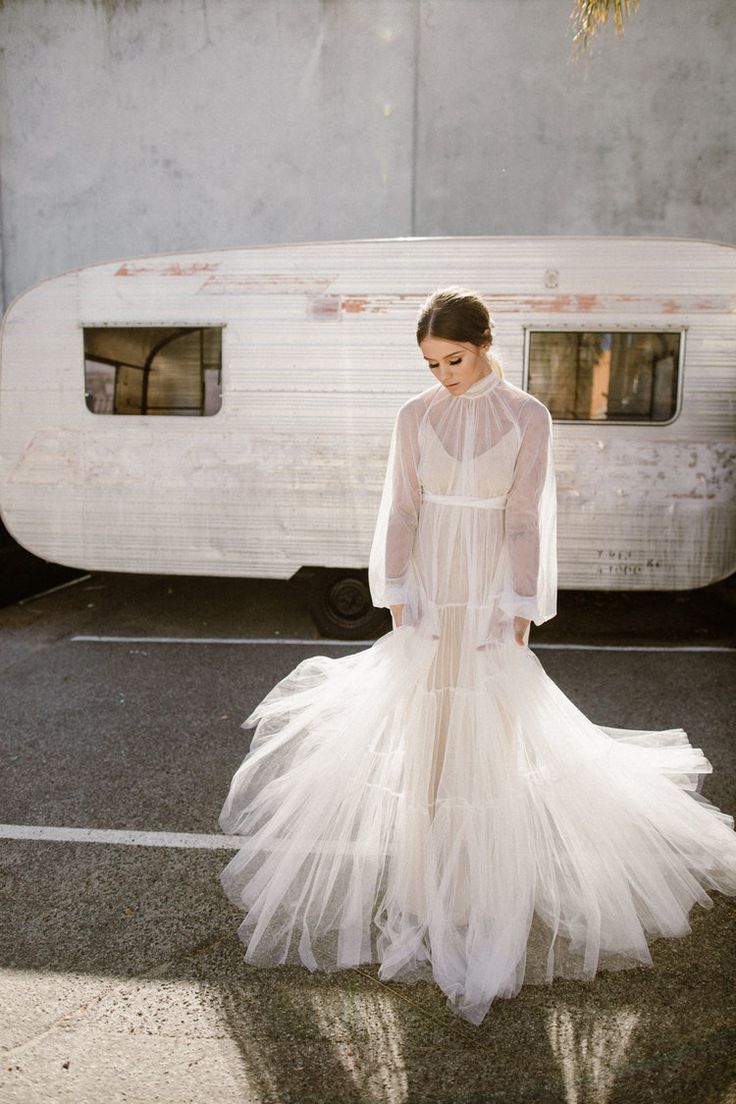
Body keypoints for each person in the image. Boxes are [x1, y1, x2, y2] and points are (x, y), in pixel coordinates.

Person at [218, 286, 736, 1027]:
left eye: (453, 359)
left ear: (485, 344)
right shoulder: (414, 415)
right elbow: (401, 507)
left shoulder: (529, 415)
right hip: (428, 593)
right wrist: (396, 596)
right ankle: (428, 890)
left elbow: (525, 518)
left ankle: (482, 892)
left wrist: (521, 608)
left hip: (490, 595)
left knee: (490, 741)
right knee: (425, 742)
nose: (443, 375)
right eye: (431, 363)